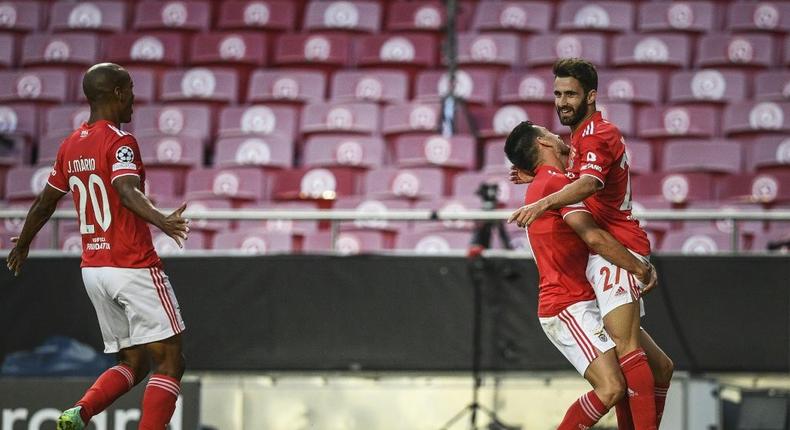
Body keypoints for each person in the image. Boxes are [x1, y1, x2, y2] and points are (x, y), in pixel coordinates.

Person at [6, 63, 190, 430]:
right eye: (131, 89)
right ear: (118, 93)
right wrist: (162, 220)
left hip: (94, 269)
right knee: (171, 361)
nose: (135, 98)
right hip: (132, 264)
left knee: (133, 363)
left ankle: (81, 412)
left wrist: (23, 244)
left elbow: (45, 202)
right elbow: (125, 191)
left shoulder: (70, 145)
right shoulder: (120, 143)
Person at [509, 58, 674, 429]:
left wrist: (543, 197)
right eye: (557, 94)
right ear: (543, 143)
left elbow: (589, 185)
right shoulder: (577, 146)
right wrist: (541, 179)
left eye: (570, 94)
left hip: (616, 247)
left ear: (591, 96)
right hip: (587, 279)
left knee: (634, 366)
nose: (561, 102)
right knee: (636, 373)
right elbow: (579, 181)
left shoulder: (592, 139)